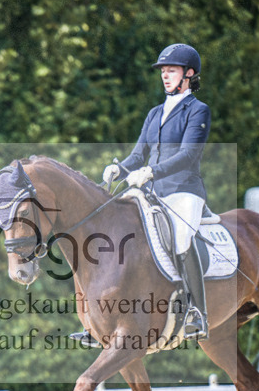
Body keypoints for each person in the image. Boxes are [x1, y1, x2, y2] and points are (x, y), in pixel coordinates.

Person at [74, 43, 211, 346]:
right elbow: (138, 156)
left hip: (183, 191)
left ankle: (196, 313)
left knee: (182, 238)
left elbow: (189, 155)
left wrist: (153, 172)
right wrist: (118, 169)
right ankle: (97, 321)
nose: (165, 75)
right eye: (163, 71)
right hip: (150, 192)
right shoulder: (155, 113)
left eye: (171, 70)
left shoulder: (198, 111)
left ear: (189, 74)